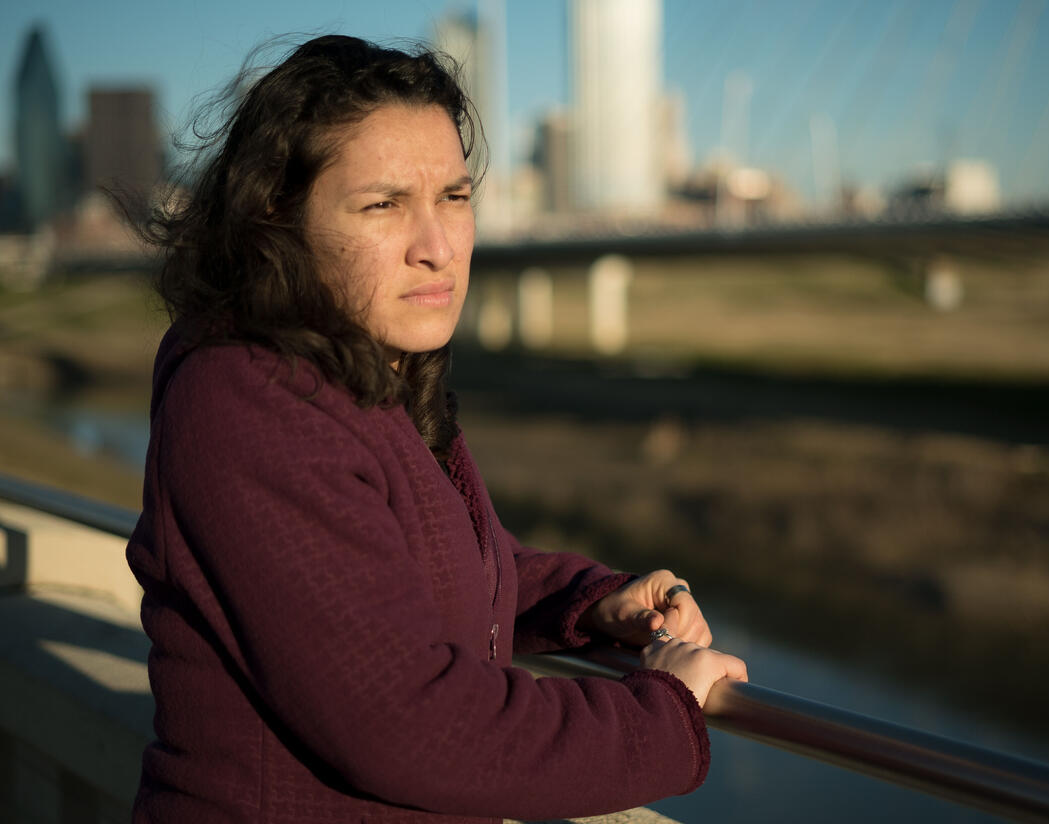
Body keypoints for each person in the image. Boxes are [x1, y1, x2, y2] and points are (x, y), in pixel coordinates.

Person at [124, 34, 747, 824]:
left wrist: (592, 602)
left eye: (454, 197)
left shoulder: (367, 371)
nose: (439, 247)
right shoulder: (247, 398)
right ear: (276, 218)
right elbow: (416, 728)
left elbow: (428, 569)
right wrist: (663, 713)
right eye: (383, 204)